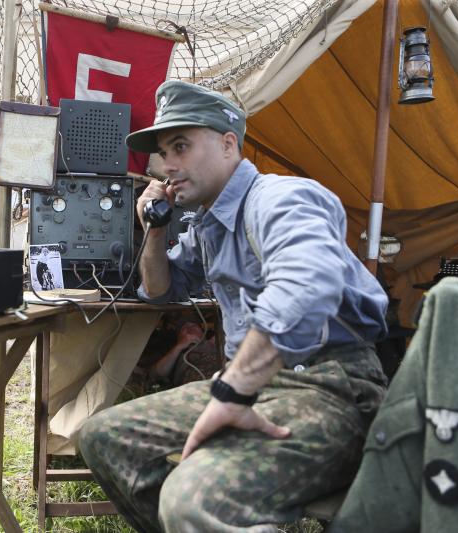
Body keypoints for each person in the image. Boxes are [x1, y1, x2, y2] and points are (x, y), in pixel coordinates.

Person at [78, 80, 390, 532]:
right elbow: (160, 289)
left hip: (331, 388)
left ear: (228, 144)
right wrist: (156, 229)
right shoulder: (209, 223)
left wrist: (233, 389)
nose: (167, 166)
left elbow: (307, 284)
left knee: (192, 499)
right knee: (103, 437)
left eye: (180, 146)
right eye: (164, 153)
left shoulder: (280, 198)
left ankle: (207, 510)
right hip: (255, 387)